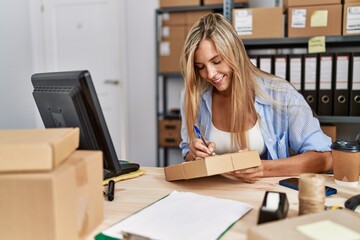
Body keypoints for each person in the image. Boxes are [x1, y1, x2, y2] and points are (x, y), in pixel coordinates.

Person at [179, 13, 332, 183]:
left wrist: (263, 168)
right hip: (212, 196)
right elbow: (187, 155)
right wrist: (193, 154)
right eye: (201, 67)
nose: (210, 74)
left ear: (235, 53)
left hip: (260, 195)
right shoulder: (193, 97)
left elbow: (324, 158)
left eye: (217, 62)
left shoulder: (280, 94)